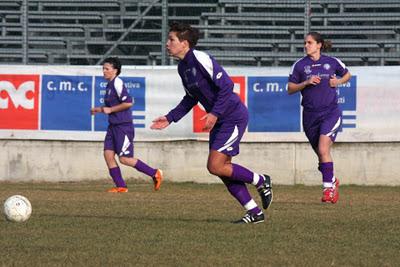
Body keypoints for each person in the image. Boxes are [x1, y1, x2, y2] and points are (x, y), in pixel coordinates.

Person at [151, 22, 272, 224]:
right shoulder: (183, 67)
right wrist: (170, 117)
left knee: (215, 166)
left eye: (171, 39)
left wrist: (214, 113)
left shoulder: (200, 58)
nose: (167, 43)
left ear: (185, 43)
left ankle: (261, 180)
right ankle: (254, 212)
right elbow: (191, 98)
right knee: (222, 169)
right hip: (219, 120)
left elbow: (227, 86)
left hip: (233, 116)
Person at [288, 32, 351, 204]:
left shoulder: (331, 62)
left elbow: (347, 74)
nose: (306, 45)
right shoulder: (300, 66)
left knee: (324, 149)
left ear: (319, 45)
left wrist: (337, 82)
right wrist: (305, 83)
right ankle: (332, 181)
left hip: (330, 113)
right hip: (309, 116)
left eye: (309, 42)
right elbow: (290, 88)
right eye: (305, 43)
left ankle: (327, 191)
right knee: (321, 155)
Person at [91, 57, 163, 193]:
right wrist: (99, 109)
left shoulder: (117, 83)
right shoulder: (109, 85)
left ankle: (155, 173)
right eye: (103, 69)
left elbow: (128, 103)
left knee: (124, 159)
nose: (104, 71)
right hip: (113, 126)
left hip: (123, 126)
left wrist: (110, 110)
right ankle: (121, 186)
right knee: (108, 155)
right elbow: (111, 106)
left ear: (115, 71)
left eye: (107, 69)